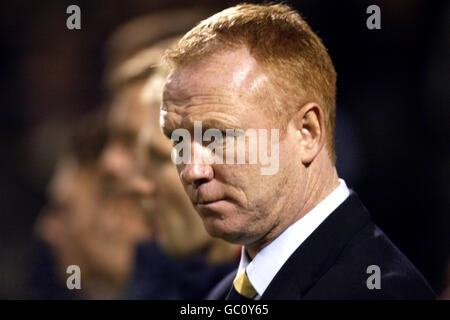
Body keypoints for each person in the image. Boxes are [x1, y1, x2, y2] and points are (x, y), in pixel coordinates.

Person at [159, 3, 435, 299]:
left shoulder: (383, 293)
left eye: (219, 137)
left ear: (308, 132)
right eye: (178, 140)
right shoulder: (223, 295)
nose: (192, 170)